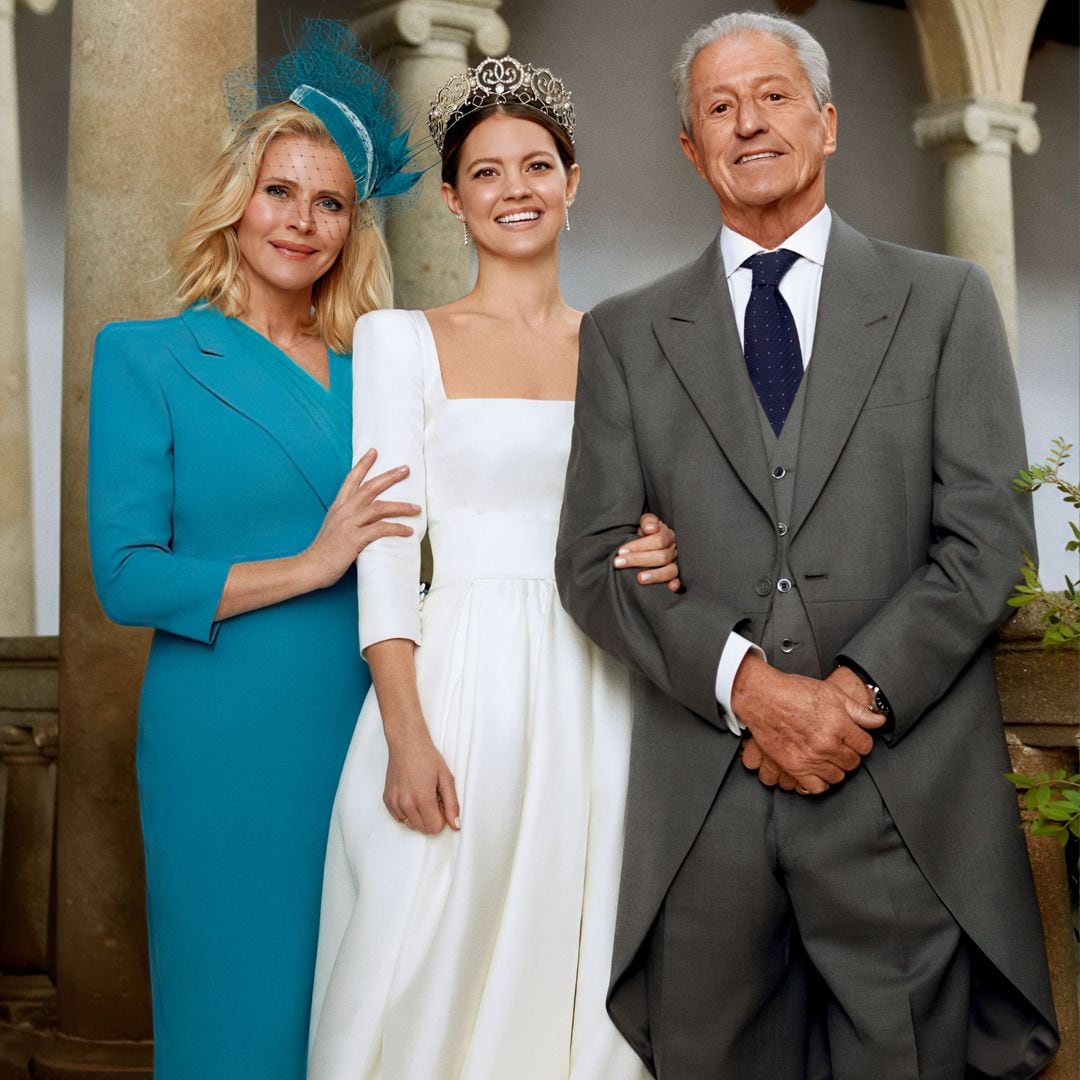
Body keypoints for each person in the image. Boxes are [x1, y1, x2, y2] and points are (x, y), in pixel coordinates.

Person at [556, 12, 1059, 1079]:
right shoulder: (626, 335)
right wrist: (752, 687)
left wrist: (850, 696)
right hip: (706, 810)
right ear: (692, 150)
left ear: (827, 124)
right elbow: (594, 561)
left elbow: (988, 541)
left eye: (775, 96)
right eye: (720, 108)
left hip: (899, 795)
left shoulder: (944, 301)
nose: (750, 124)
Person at [308, 57, 668, 1079]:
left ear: (572, 182)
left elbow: (652, 516)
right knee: (428, 941)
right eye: (487, 172)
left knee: (583, 930)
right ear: (456, 200)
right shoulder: (397, 340)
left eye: (537, 166)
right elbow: (385, 547)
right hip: (458, 677)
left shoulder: (627, 347)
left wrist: (663, 543)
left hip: (601, 682)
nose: (516, 189)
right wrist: (406, 732)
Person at [87, 20, 424, 1079]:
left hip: (367, 720)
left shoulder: (380, 369)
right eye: (280, 191)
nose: (302, 220)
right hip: (222, 738)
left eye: (330, 202)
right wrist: (312, 565)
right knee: (236, 1017)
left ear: (351, 228)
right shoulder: (148, 356)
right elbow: (126, 574)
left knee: (360, 1012)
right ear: (238, 199)